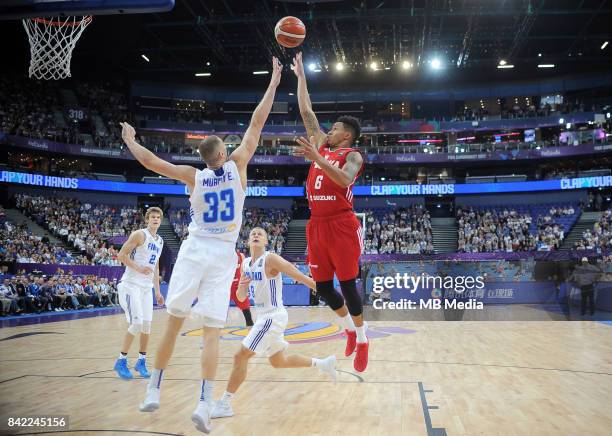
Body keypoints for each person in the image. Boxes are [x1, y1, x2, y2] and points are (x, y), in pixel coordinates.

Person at [121, 57, 282, 434]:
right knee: (211, 332)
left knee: (174, 324)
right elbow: (257, 122)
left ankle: (153, 390)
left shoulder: (192, 176)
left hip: (195, 251)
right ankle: (205, 405)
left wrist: (130, 140)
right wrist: (274, 81)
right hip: (223, 255)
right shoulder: (239, 163)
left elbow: (151, 161)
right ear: (224, 155)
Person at [291, 52, 368, 372]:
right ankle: (348, 329)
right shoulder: (321, 145)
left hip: (341, 223)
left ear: (346, 135)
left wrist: (319, 160)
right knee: (322, 287)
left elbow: (345, 179)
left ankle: (363, 339)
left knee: (348, 284)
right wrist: (300, 77)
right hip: (317, 223)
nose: (328, 131)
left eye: (334, 128)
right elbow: (307, 111)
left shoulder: (353, 155)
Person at [211, 228, 336, 419]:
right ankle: (323, 364)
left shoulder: (270, 259)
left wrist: (330, 294)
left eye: (260, 234)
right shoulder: (245, 264)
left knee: (240, 356)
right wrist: (242, 287)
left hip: (272, 316)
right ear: (247, 241)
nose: (256, 235)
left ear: (267, 241)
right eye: (253, 233)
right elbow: (240, 296)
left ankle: (225, 403)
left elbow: (298, 276)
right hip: (263, 316)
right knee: (278, 361)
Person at [113, 207, 165, 380]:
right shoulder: (139, 235)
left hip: (145, 288)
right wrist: (138, 268)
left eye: (158, 217)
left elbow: (155, 266)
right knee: (136, 324)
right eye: (152, 217)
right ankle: (121, 361)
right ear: (147, 219)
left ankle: (141, 361)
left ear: (161, 220)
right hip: (130, 285)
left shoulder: (160, 241)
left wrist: (157, 291)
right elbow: (121, 255)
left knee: (147, 326)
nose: (155, 219)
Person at [230, 250, 253, 326]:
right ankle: (214, 336)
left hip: (238, 287)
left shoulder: (241, 256)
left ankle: (252, 335)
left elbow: (243, 271)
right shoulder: (220, 256)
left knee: (248, 316)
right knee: (218, 317)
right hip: (225, 288)